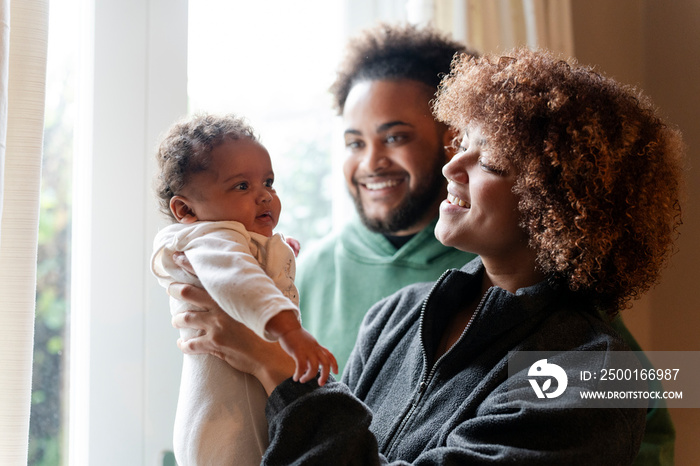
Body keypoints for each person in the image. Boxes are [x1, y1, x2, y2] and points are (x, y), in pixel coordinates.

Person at [170, 48, 685, 465]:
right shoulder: (395, 315)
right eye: (462, 145)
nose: (451, 167)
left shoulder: (589, 367)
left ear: (562, 200)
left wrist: (271, 362)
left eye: (493, 161)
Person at [150, 113, 336, 466]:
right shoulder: (209, 238)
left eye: (268, 182)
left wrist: (276, 253)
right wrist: (291, 332)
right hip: (223, 417)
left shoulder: (224, 239)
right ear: (185, 210)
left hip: (241, 402)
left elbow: (245, 263)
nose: (264, 196)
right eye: (242, 187)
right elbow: (238, 280)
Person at [296, 23, 478, 376]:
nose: (370, 164)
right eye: (355, 143)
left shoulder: (510, 262)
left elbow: (609, 391)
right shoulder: (308, 274)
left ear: (454, 141)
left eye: (394, 138)